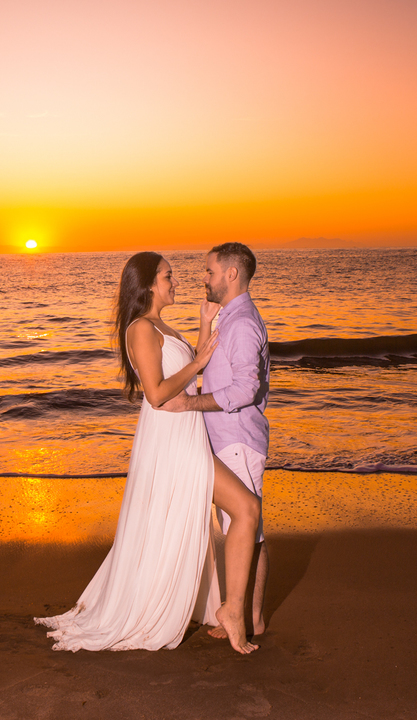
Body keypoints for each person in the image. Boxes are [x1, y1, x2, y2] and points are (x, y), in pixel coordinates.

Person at [35, 252, 261, 654]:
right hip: (172, 439)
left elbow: (184, 369)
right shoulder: (140, 328)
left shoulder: (161, 326)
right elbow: (157, 393)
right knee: (245, 508)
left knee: (224, 513)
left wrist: (205, 324)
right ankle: (233, 612)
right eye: (168, 276)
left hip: (186, 436)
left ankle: (229, 608)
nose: (176, 282)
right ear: (148, 284)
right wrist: (200, 363)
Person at [162, 242, 270, 638]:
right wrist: (205, 321)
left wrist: (190, 405)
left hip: (237, 439)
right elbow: (206, 362)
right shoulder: (231, 317)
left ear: (231, 274)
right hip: (229, 438)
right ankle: (247, 616)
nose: (203, 278)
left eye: (209, 271)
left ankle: (244, 617)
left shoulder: (241, 323)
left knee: (247, 530)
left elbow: (244, 390)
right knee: (246, 529)